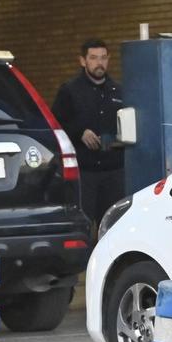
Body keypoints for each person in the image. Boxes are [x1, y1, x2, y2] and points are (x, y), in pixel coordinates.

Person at [51, 38, 125, 234]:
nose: (99, 63)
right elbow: (55, 124)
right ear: (82, 61)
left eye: (103, 58)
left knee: (113, 225)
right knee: (83, 225)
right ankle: (83, 263)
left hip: (113, 170)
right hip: (85, 172)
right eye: (93, 58)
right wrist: (79, 132)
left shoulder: (118, 90)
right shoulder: (70, 91)